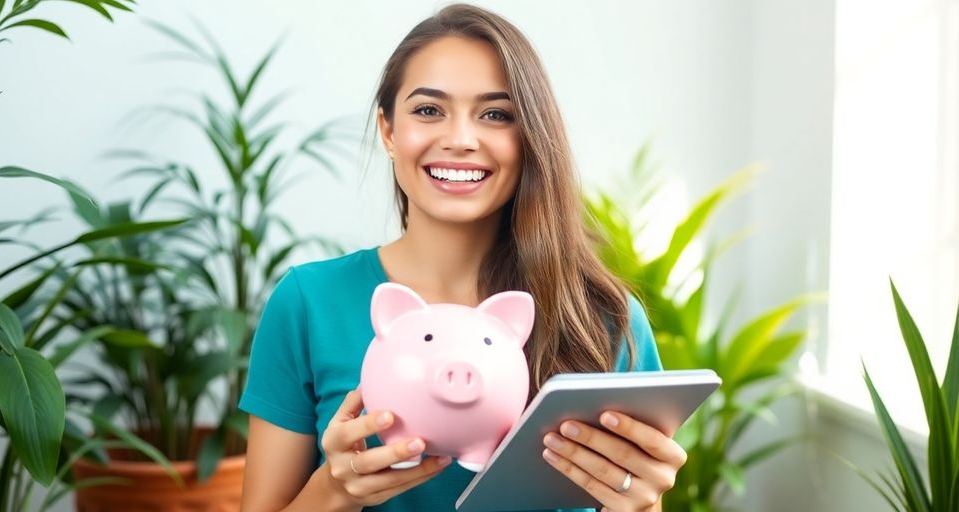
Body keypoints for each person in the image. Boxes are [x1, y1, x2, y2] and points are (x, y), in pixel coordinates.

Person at [238, 4, 686, 511]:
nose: (460, 140)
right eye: (429, 110)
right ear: (388, 130)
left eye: (496, 114)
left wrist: (643, 503)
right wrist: (334, 491)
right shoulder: (308, 303)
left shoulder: (600, 318)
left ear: (529, 137)